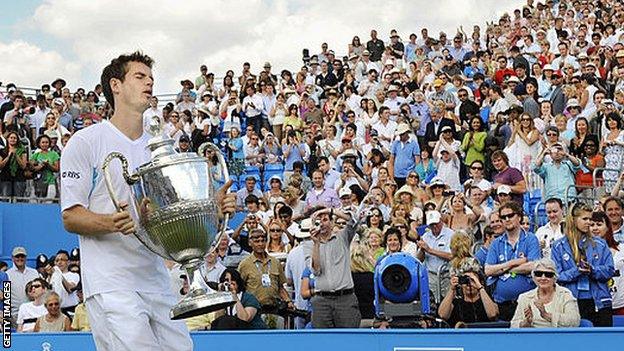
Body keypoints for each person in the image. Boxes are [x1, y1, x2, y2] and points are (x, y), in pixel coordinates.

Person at [60, 52, 236, 350]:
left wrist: (210, 210)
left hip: (155, 279)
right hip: (111, 282)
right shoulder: (86, 142)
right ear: (115, 85)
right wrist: (112, 222)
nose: (149, 82)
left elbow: (168, 216)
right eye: (140, 77)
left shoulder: (159, 148)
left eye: (151, 78)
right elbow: (71, 217)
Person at [551, 203, 614, 327]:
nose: (589, 222)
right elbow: (556, 276)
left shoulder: (600, 244)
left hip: (599, 301)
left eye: (590, 219)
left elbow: (610, 269)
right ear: (573, 219)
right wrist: (577, 271)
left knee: (603, 344)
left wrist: (593, 270)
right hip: (571, 301)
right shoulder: (558, 246)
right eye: (585, 219)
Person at [485, 202, 541, 321]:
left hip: (528, 303)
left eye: (510, 215)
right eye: (503, 217)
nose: (507, 219)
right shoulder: (496, 243)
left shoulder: (531, 238)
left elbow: (533, 266)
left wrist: (501, 270)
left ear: (519, 217)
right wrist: (514, 262)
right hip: (502, 304)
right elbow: (488, 270)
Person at [310, 207, 361, 328]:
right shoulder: (309, 245)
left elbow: (354, 220)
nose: (321, 224)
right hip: (322, 300)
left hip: (345, 299)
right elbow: (316, 270)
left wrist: (330, 210)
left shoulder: (342, 237)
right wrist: (316, 244)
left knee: (349, 340)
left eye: (325, 220)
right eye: (318, 221)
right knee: (322, 342)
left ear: (332, 223)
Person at [511, 258, 581, 328]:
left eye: (548, 274)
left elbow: (575, 321)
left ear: (555, 278)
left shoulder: (565, 294)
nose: (543, 278)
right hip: (533, 337)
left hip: (558, 336)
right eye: (538, 274)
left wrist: (546, 315)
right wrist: (526, 323)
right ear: (534, 277)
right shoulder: (525, 297)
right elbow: (513, 325)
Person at [237, 228, 293, 310]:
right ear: (250, 243)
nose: (260, 244)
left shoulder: (275, 262)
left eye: (263, 241)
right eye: (257, 241)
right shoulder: (245, 264)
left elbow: (280, 287)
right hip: (254, 309)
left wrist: (288, 301)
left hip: (274, 308)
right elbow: (240, 288)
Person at [438, 255, 499, 328]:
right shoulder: (456, 302)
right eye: (465, 280)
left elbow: (493, 314)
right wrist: (452, 289)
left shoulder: (487, 300)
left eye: (472, 280)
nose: (468, 284)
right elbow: (442, 315)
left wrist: (479, 287)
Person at [417, 210, 452, 298]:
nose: (435, 226)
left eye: (436, 223)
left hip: (446, 275)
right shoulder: (425, 236)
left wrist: (430, 250)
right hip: (430, 276)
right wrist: (422, 250)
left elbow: (451, 256)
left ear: (441, 221)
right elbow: (419, 259)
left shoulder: (451, 234)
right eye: (432, 224)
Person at [6, 246, 40, 329]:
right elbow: (6, 297)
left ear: (26, 258)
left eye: (22, 256)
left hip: (34, 313)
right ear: (12, 258)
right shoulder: (7, 275)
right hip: (15, 315)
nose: (20, 258)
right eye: (17, 256)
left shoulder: (34, 273)